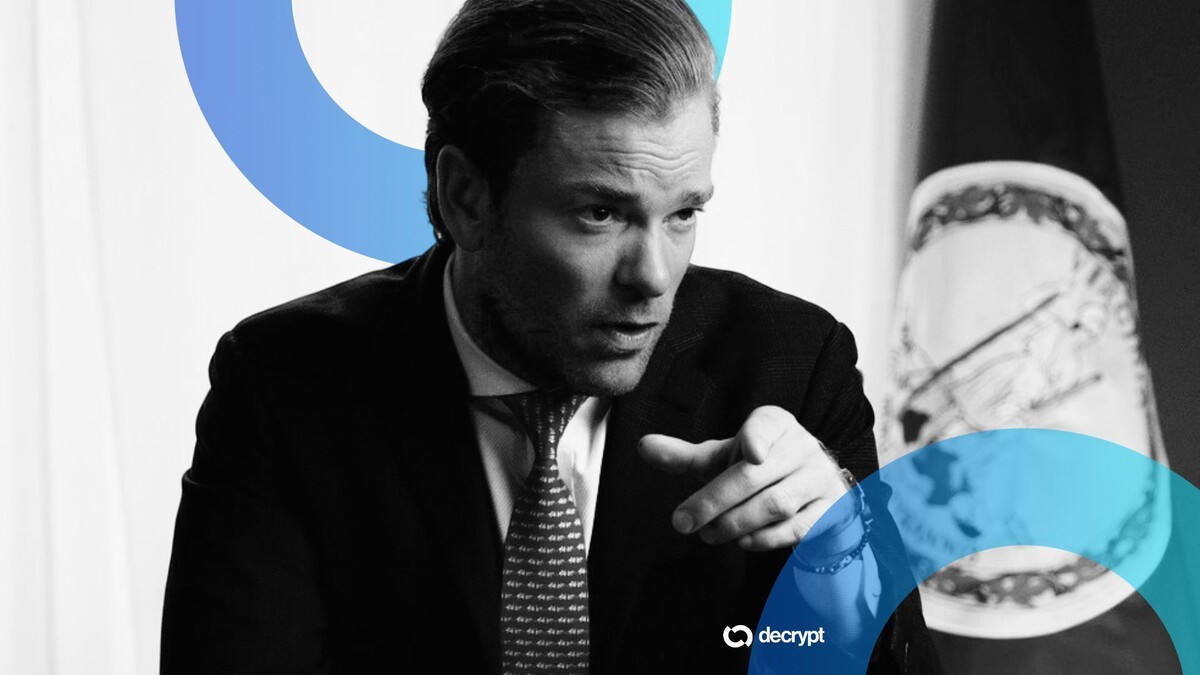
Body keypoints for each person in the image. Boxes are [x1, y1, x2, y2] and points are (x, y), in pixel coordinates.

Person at [161, 1, 940, 673]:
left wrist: (848, 553)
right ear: (466, 198)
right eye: (601, 213)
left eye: (683, 213)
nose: (654, 276)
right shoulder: (282, 389)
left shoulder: (792, 365)